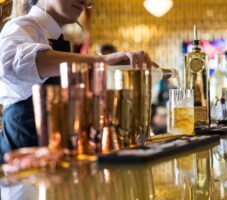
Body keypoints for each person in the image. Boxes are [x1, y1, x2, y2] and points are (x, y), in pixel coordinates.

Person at [0, 0, 158, 162]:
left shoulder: (57, 39)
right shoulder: (22, 26)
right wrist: (101, 60)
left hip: (56, 162)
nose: (85, 1)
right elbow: (13, 63)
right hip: (24, 164)